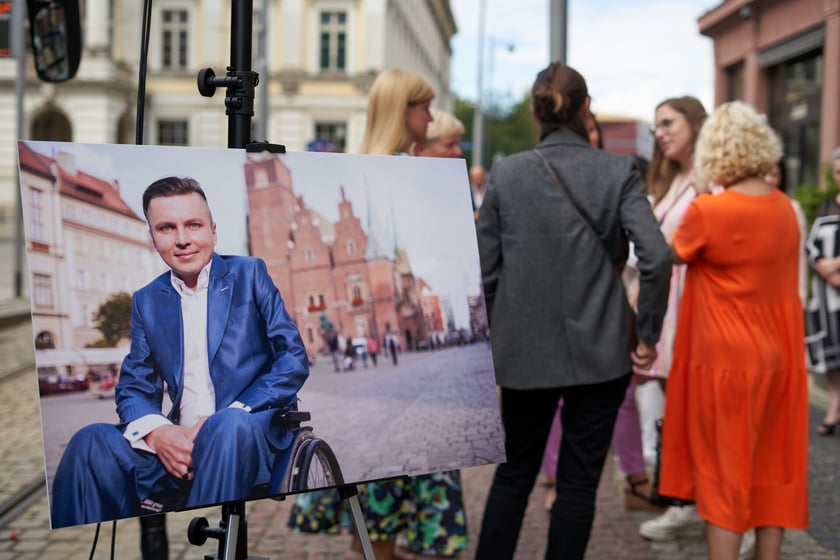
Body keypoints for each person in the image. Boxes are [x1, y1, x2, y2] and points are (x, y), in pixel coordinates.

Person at [474, 61, 672, 559]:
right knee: (579, 483)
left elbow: (484, 269)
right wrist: (646, 332)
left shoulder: (508, 172)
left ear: (536, 112)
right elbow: (657, 255)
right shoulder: (618, 170)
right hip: (602, 349)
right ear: (586, 108)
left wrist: (493, 343)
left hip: (524, 352)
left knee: (515, 474)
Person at [50, 177, 309, 528]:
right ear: (152, 238)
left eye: (193, 225)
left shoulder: (250, 274)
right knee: (89, 442)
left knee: (226, 426)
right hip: (173, 446)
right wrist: (159, 433)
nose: (183, 239)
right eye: (167, 228)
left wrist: (230, 413)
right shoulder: (146, 300)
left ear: (213, 231)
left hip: (246, 432)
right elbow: (133, 387)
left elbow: (292, 357)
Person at [289, 68, 442, 560]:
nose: (431, 116)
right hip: (396, 415)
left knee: (374, 518)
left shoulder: (386, 170)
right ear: (404, 111)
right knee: (382, 517)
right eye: (424, 106)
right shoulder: (385, 172)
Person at [659, 100, 809, 559]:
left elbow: (667, 251)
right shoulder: (786, 209)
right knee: (773, 470)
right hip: (779, 359)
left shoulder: (709, 212)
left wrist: (703, 191)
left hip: (724, 361)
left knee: (725, 475)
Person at [538, 110, 660, 514]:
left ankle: (633, 478)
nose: (588, 136)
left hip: (610, 306)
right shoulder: (547, 176)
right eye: (584, 128)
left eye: (593, 130)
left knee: (621, 398)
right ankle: (556, 478)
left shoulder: (613, 179)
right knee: (559, 398)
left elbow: (646, 256)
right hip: (561, 306)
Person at [636, 95, 710, 541]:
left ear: (695, 124)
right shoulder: (670, 181)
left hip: (695, 306)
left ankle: (710, 503)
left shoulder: (709, 181)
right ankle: (682, 497)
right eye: (655, 126)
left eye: (668, 123)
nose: (660, 132)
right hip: (665, 305)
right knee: (674, 408)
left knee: (700, 408)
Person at [805, 146, 840, 435]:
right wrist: (822, 265)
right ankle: (833, 408)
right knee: (832, 354)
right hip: (828, 298)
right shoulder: (827, 206)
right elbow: (810, 244)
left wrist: (836, 264)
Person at [765, 158, 807, 305]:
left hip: (784, 286)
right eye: (765, 174)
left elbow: (800, 253)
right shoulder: (745, 207)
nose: (769, 180)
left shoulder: (793, 208)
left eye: (775, 175)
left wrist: (802, 294)